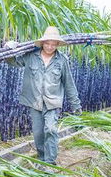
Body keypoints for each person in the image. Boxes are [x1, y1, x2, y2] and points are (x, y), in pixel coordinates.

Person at [5, 26, 82, 166]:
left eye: (53, 44)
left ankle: (50, 162)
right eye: (47, 43)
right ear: (42, 43)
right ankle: (42, 159)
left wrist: (76, 105)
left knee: (51, 129)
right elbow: (13, 62)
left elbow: (69, 83)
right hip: (34, 101)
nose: (50, 47)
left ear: (58, 44)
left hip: (52, 101)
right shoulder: (31, 56)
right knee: (38, 133)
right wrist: (9, 49)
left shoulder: (62, 60)